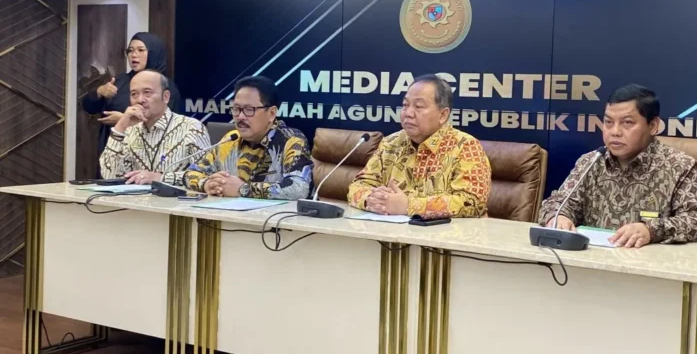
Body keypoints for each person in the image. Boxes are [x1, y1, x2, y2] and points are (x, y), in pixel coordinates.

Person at [539, 84, 697, 248]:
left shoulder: (679, 166)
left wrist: (651, 230)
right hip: (590, 267)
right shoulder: (591, 161)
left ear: (653, 126)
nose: (615, 131)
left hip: (651, 271)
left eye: (627, 123)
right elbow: (557, 202)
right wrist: (558, 217)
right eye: (608, 122)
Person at [347, 74, 491, 219]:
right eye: (405, 105)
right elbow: (358, 186)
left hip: (445, 238)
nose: (408, 113)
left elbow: (471, 203)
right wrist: (372, 200)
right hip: (391, 235)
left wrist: (408, 206)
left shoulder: (466, 147)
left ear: (443, 115)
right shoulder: (391, 143)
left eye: (418, 106)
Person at [184, 76, 313, 199]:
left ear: (271, 113)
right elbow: (190, 173)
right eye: (236, 109)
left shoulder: (291, 140)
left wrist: (243, 189)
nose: (240, 117)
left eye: (249, 109)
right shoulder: (230, 139)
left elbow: (299, 189)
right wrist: (207, 184)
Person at [99, 70, 210, 185]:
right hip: (135, 201)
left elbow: (206, 177)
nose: (140, 100)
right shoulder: (129, 131)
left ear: (166, 97)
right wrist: (120, 127)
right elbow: (109, 176)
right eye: (134, 94)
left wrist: (161, 178)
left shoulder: (192, 128)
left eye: (147, 92)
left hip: (176, 202)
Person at [82, 32, 183, 157]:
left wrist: (124, 121)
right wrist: (99, 92)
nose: (134, 55)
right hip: (114, 152)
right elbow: (88, 107)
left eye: (141, 50)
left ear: (153, 53)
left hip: (148, 156)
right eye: (130, 50)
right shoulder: (119, 81)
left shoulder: (166, 87)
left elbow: (169, 127)